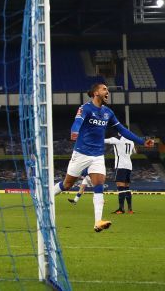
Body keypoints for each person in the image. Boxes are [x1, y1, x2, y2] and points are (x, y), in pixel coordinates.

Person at [51, 83, 153, 232]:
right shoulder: (85, 108)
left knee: (99, 184)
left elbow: (123, 130)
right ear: (95, 92)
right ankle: (46, 199)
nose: (108, 92)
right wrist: (74, 131)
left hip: (98, 155)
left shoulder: (108, 112)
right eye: (104, 89)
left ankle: (98, 221)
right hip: (81, 153)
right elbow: (77, 122)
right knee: (67, 185)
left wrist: (142, 141)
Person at [105, 133, 136, 214]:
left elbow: (104, 141)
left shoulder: (116, 139)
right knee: (127, 187)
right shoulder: (131, 141)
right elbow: (134, 152)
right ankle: (130, 209)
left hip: (120, 165)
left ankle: (121, 209)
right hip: (129, 166)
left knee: (120, 187)